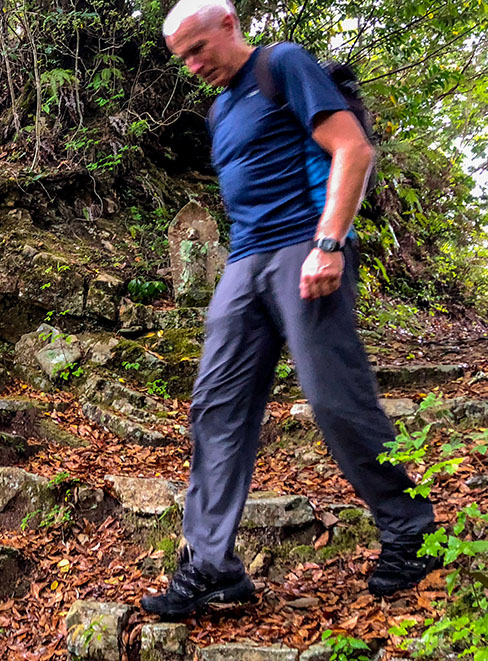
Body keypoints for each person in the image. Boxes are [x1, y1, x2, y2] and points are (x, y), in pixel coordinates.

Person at [142, 0, 439, 619]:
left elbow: (351, 150)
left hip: (305, 244)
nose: (193, 64)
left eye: (198, 48)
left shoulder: (284, 65)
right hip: (244, 261)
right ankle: (213, 566)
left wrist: (329, 242)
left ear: (228, 24)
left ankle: (411, 533)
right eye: (183, 58)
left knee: (333, 396)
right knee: (215, 404)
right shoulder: (221, 107)